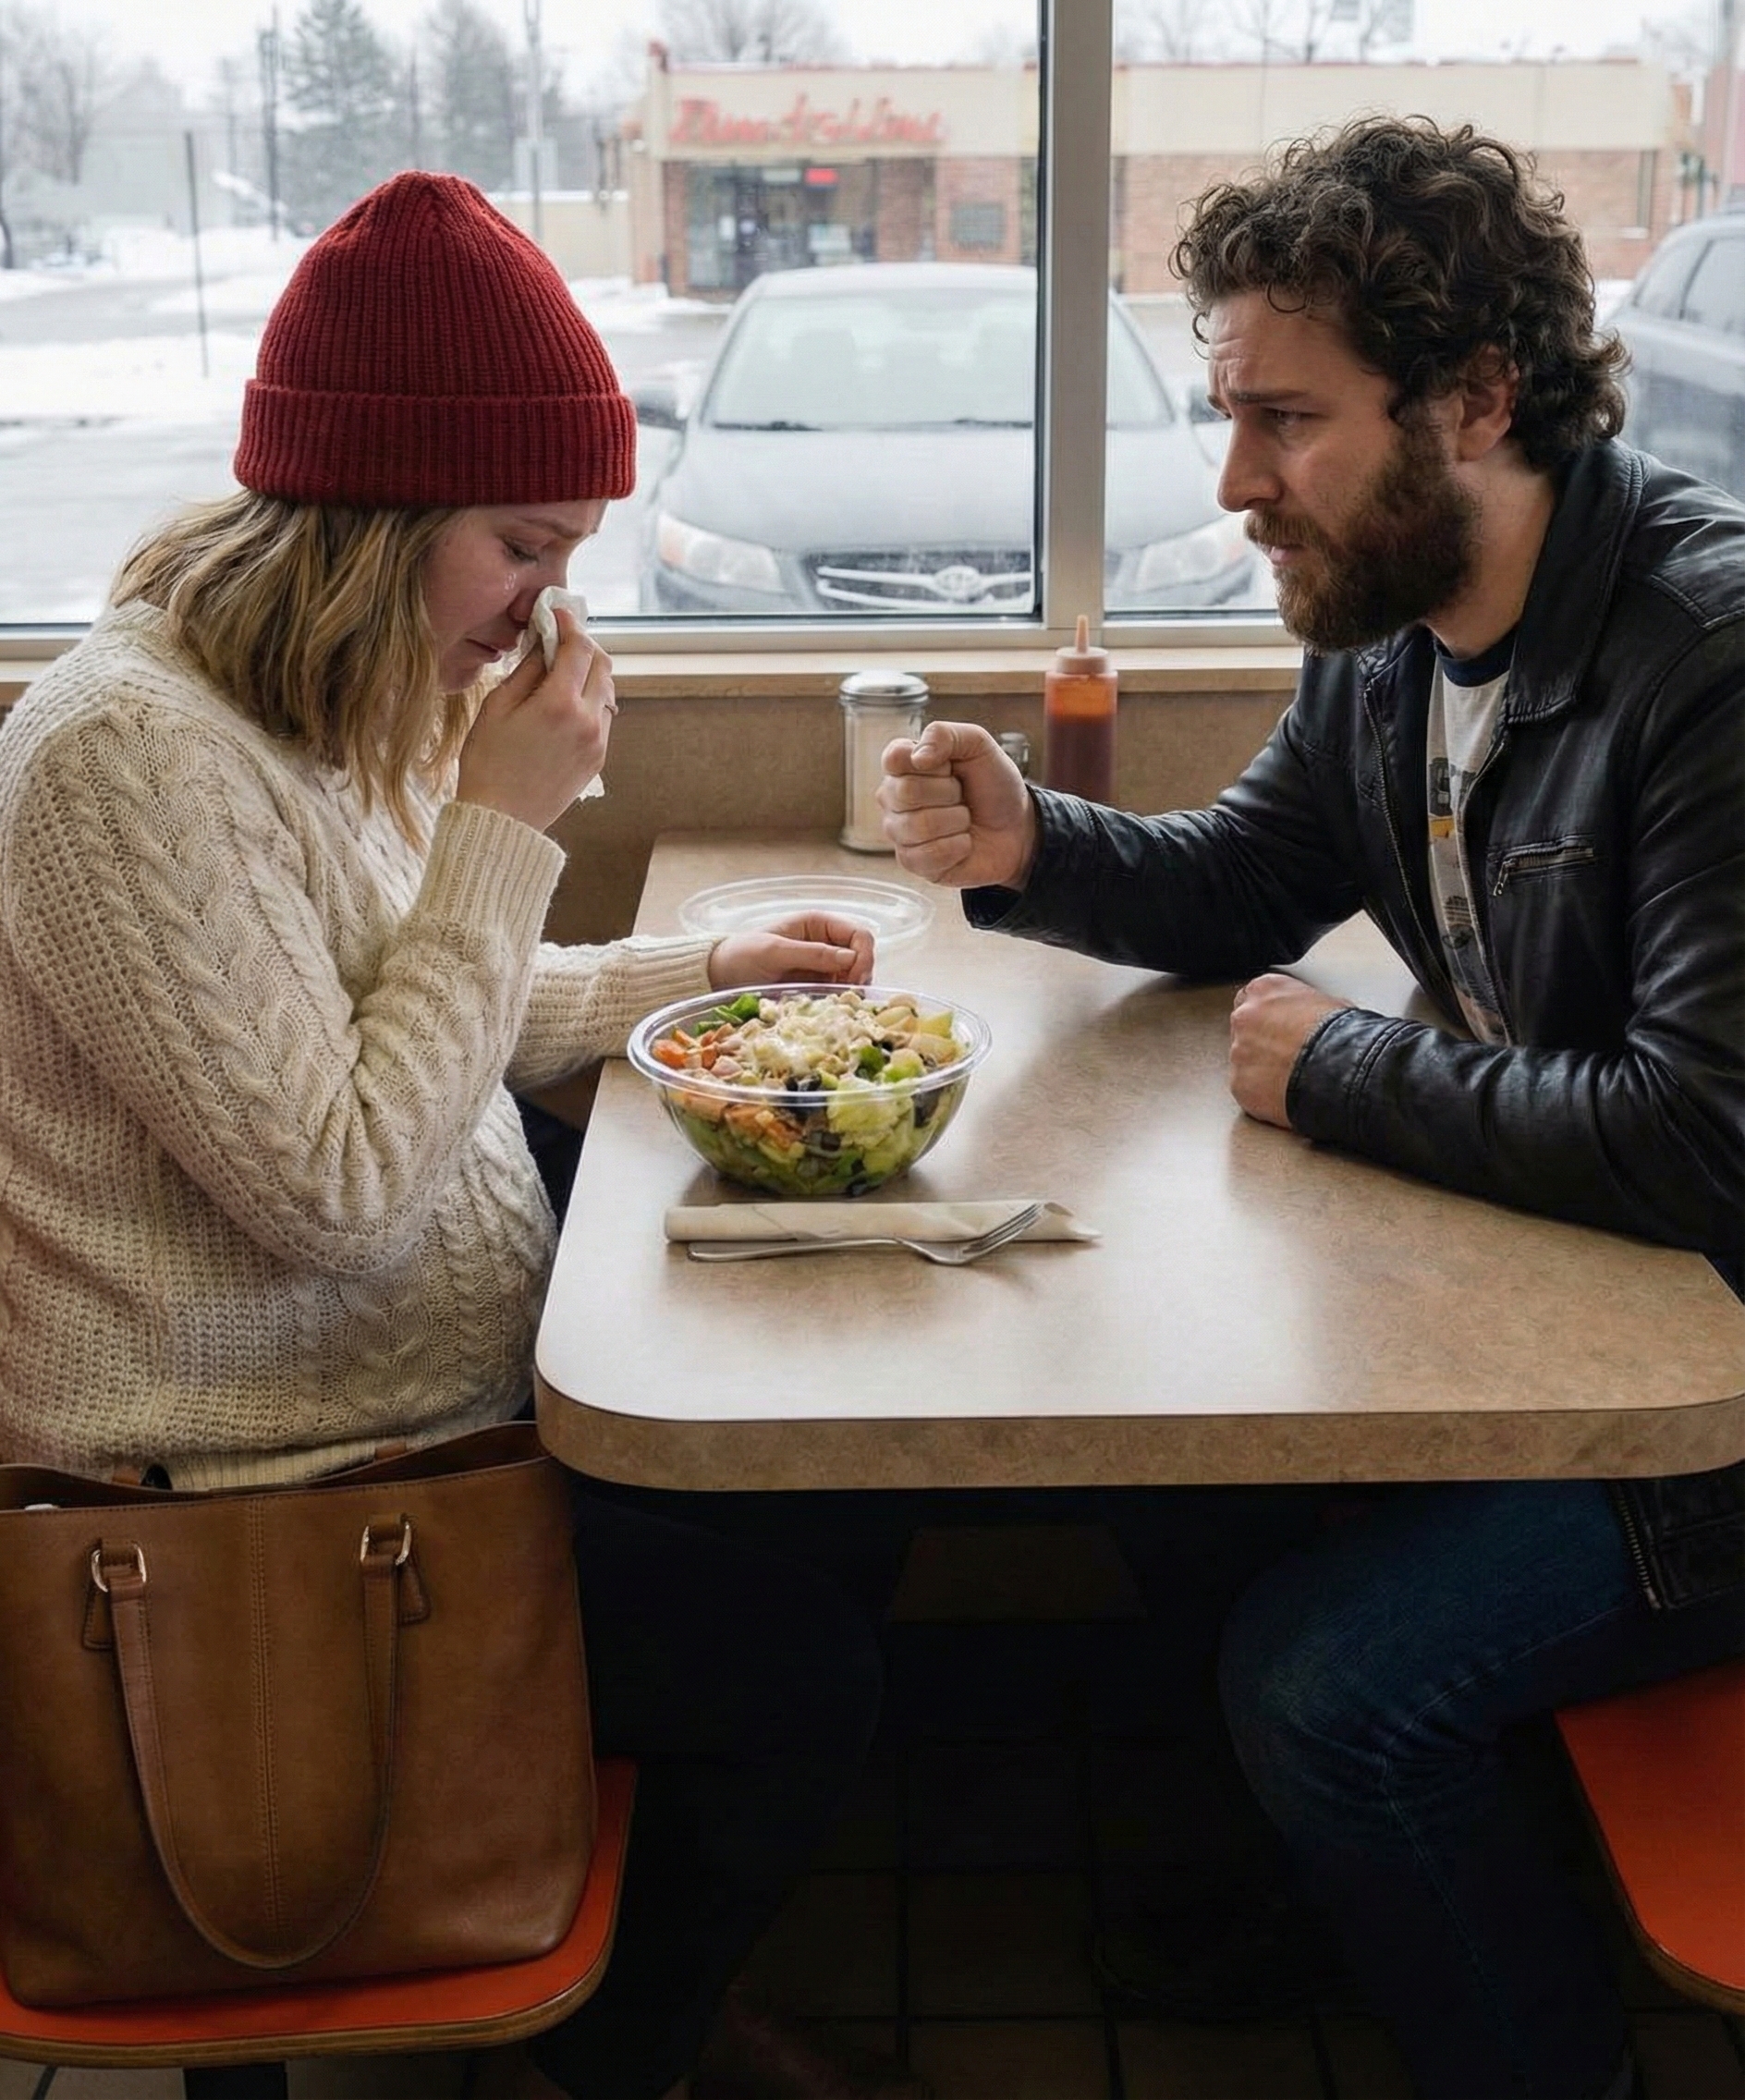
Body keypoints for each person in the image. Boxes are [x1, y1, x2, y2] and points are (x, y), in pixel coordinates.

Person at [0, 172, 927, 2100]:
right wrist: (508, 818)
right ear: (375, 520)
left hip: (415, 1400)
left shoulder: (306, 701)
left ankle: (614, 1970)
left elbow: (417, 999)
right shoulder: (121, 762)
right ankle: (626, 2047)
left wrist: (689, 971)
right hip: (252, 1499)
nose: (545, 610)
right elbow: (340, 1182)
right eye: (522, 546)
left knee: (841, 1480)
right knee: (803, 1672)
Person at [879, 116, 1745, 2100]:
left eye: (1285, 421)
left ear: (1472, 396)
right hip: (1567, 1316)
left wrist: (1341, 1064)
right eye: (1227, 414)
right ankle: (1371, 1901)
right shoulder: (1390, 632)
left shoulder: (1696, 657)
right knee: (1156, 1469)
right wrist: (1034, 840)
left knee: (1323, 1687)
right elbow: (1234, 887)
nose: (1234, 481)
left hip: (1710, 1395)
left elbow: (1704, 1133)